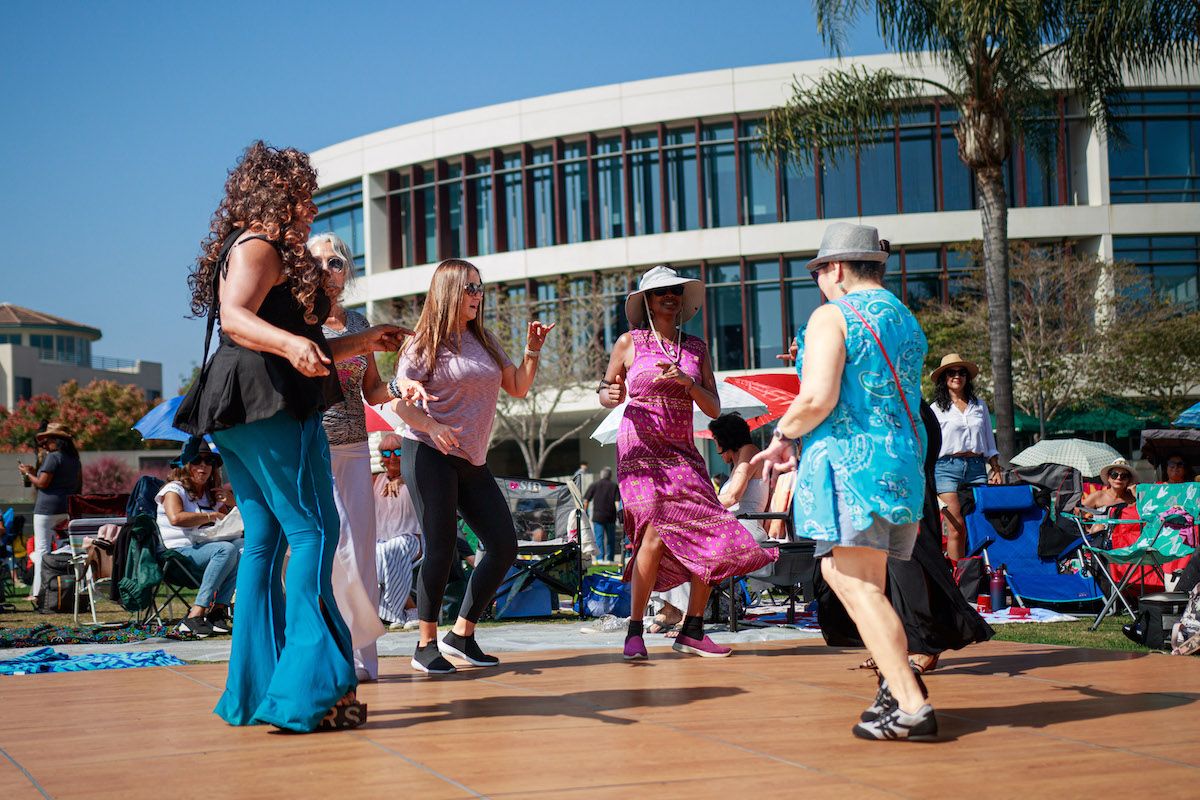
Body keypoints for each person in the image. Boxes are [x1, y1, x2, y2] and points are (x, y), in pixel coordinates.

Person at [178, 141, 408, 733]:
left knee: (264, 540)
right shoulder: (256, 245)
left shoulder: (259, 248)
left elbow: (293, 341)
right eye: (301, 198)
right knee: (310, 531)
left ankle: (255, 691)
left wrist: (364, 340)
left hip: (245, 404)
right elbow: (235, 317)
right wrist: (288, 342)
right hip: (264, 403)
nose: (309, 210)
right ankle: (307, 691)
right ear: (274, 194)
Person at [753, 222, 935, 740]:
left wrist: (781, 437)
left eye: (819, 271)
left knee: (847, 579)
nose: (819, 281)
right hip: (901, 464)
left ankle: (909, 701)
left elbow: (816, 398)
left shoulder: (832, 315)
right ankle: (889, 694)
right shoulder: (905, 318)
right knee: (869, 583)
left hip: (852, 468)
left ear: (835, 268)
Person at [599, 265, 775, 660]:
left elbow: (714, 408)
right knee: (654, 532)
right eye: (661, 292)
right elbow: (608, 388)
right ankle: (634, 630)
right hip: (640, 449)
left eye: (676, 291)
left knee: (713, 530)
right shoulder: (629, 342)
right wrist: (608, 393)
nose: (670, 296)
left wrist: (688, 383)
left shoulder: (696, 348)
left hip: (680, 448)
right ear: (646, 300)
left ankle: (692, 628)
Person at [392, 258, 555, 674]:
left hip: (471, 459)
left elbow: (517, 387)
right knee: (442, 547)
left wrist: (532, 349)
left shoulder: (485, 339)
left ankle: (461, 635)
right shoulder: (421, 344)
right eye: (470, 288)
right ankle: (425, 644)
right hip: (429, 453)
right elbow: (400, 401)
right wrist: (429, 423)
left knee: (503, 545)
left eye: (480, 288)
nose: (478, 296)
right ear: (448, 291)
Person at [309, 230, 394, 682]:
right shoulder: (301, 322)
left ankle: (364, 660)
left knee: (363, 551)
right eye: (318, 262)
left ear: (348, 271)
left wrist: (405, 391)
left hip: (357, 448)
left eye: (336, 262)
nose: (327, 270)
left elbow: (374, 389)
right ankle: (335, 648)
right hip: (315, 448)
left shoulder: (361, 323)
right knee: (337, 548)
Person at [649, 413, 770, 636]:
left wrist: (696, 506)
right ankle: (671, 607)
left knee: (687, 544)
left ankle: (687, 614)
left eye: (716, 441)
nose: (715, 446)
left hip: (745, 529)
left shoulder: (749, 454)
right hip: (732, 526)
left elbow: (733, 496)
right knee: (669, 539)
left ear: (726, 439)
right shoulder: (739, 459)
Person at [154, 438, 239, 637]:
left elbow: (232, 523)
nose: (203, 466)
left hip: (207, 552)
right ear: (185, 465)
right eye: (197, 461)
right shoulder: (173, 490)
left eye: (208, 462)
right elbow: (176, 518)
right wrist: (211, 515)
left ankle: (217, 612)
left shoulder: (212, 495)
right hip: (177, 557)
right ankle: (195, 614)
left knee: (243, 547)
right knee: (226, 549)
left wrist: (232, 502)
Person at [929, 353, 1002, 560]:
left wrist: (996, 468)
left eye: (962, 372)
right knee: (956, 526)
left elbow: (989, 441)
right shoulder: (935, 409)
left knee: (980, 524)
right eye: (951, 372)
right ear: (944, 378)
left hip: (977, 468)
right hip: (946, 468)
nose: (957, 376)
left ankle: (979, 573)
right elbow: (930, 445)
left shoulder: (979, 405)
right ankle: (957, 580)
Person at [17, 422, 82, 605]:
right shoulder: (74, 460)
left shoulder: (53, 457)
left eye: (49, 439)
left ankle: (38, 593)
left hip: (46, 509)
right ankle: (70, 587)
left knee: (42, 551)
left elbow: (43, 483)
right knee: (67, 549)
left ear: (58, 441)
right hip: (65, 508)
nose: (46, 443)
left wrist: (28, 473)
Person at [373, 434, 423, 630]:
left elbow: (420, 479)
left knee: (388, 551)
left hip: (412, 538)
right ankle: (409, 609)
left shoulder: (415, 477)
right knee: (371, 555)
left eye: (397, 451)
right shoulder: (375, 481)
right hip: (381, 540)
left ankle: (396, 613)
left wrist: (402, 479)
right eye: (386, 452)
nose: (392, 457)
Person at [584, 467, 620, 563]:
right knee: (610, 539)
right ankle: (610, 559)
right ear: (610, 475)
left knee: (599, 537)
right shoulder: (614, 486)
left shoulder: (595, 485)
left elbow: (586, 500)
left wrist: (584, 512)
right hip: (610, 516)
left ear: (601, 475)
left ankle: (599, 559)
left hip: (598, 517)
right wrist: (619, 514)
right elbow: (617, 502)